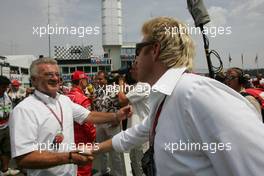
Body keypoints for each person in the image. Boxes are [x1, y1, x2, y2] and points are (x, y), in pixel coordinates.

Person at [93, 17, 264, 175]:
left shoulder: (195, 94)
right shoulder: (168, 97)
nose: (135, 59)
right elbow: (135, 134)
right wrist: (90, 149)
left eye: (138, 50)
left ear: (155, 50)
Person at [9, 58, 132, 176]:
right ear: (34, 80)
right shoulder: (23, 110)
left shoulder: (64, 100)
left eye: (57, 74)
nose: (55, 78)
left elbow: (89, 115)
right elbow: (23, 158)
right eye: (49, 75)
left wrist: (116, 116)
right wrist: (69, 157)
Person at [117, 60, 150, 176]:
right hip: (135, 132)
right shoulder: (137, 86)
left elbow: (122, 100)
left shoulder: (144, 86)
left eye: (134, 69)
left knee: (142, 166)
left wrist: (120, 83)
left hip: (142, 134)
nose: (131, 71)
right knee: (134, 163)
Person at [92, 70, 126, 176]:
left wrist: (118, 119)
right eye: (97, 79)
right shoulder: (96, 90)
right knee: (101, 149)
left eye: (101, 79)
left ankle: (118, 173)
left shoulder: (115, 89)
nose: (98, 81)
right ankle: (104, 172)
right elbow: (94, 105)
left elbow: (123, 104)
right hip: (100, 123)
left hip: (113, 124)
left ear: (106, 79)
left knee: (115, 151)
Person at [67, 71, 96, 176]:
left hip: (69, 137)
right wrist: (93, 137)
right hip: (82, 138)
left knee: (72, 167)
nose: (87, 82)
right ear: (81, 81)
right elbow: (89, 123)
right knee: (84, 169)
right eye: (86, 80)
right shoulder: (83, 99)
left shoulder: (65, 97)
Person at [0, 76, 20, 176]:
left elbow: (9, 109)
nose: (4, 89)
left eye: (6, 87)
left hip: (6, 126)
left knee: (7, 150)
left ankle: (5, 170)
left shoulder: (5, 96)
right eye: (3, 87)